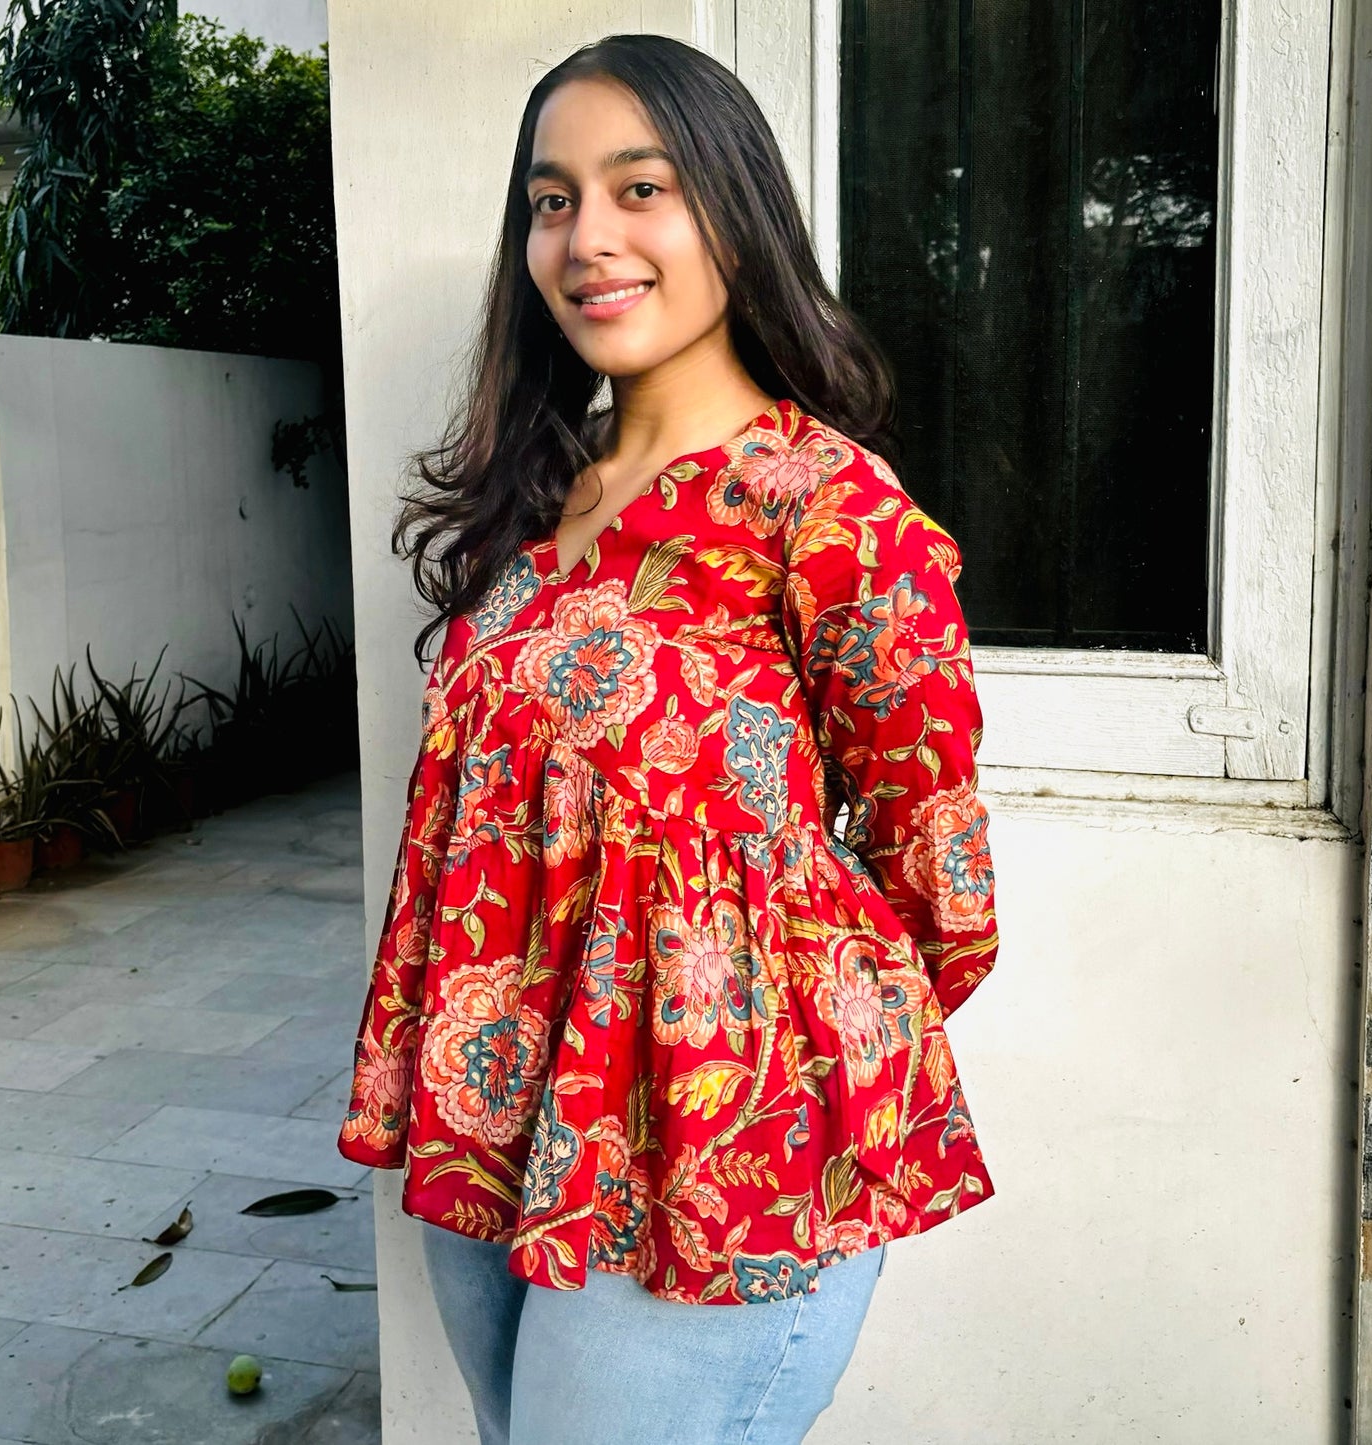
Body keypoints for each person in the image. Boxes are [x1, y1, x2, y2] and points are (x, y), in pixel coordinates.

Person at [337, 31, 1000, 1445]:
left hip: (715, 1149)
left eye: (640, 188)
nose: (587, 236)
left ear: (733, 214)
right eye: (550, 198)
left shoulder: (831, 512)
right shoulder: (535, 504)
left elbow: (933, 882)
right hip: (498, 1112)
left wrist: (758, 1043)